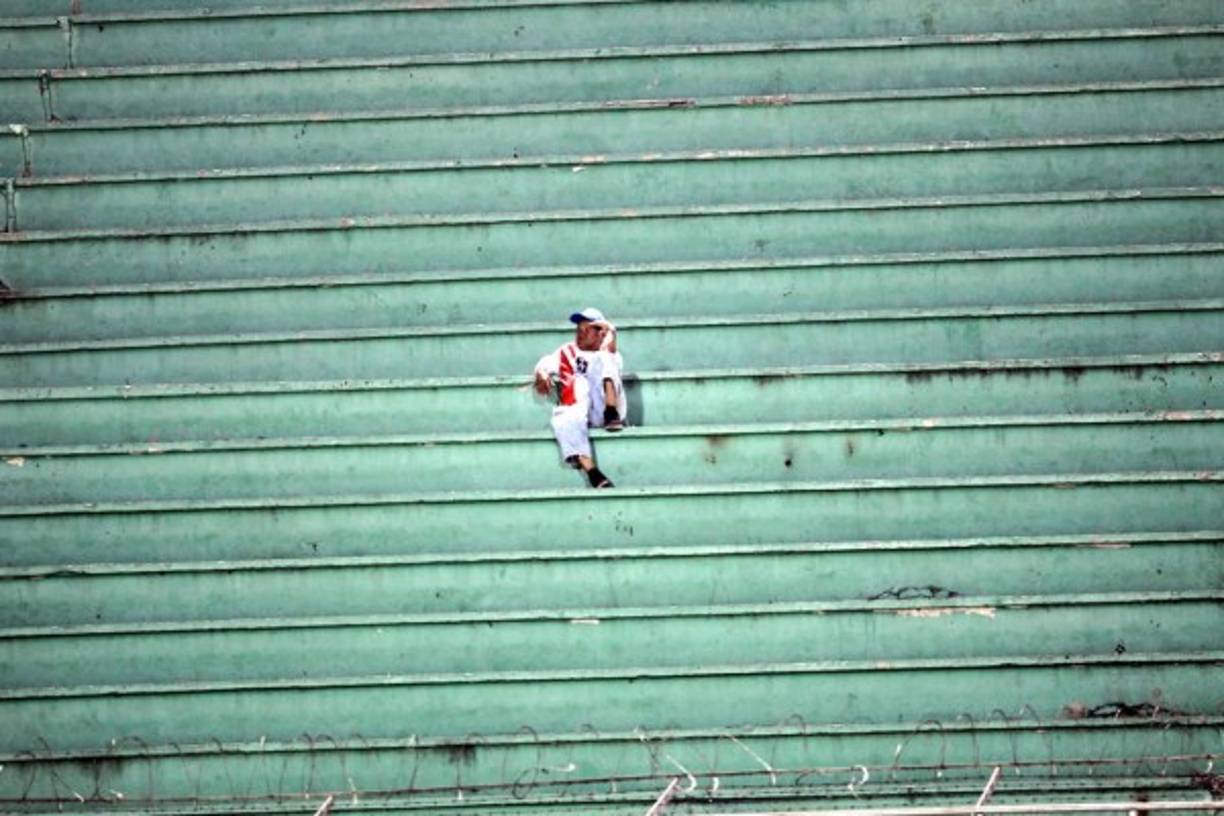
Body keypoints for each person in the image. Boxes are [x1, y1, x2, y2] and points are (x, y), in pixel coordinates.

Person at [533, 307, 627, 488]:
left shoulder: (610, 355)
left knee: (604, 358)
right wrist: (542, 372)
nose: (580, 333)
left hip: (604, 406)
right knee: (563, 412)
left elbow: (611, 356)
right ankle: (592, 472)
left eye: (586, 329)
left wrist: (610, 333)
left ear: (601, 333)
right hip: (579, 412)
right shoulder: (567, 351)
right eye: (579, 329)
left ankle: (611, 411)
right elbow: (544, 363)